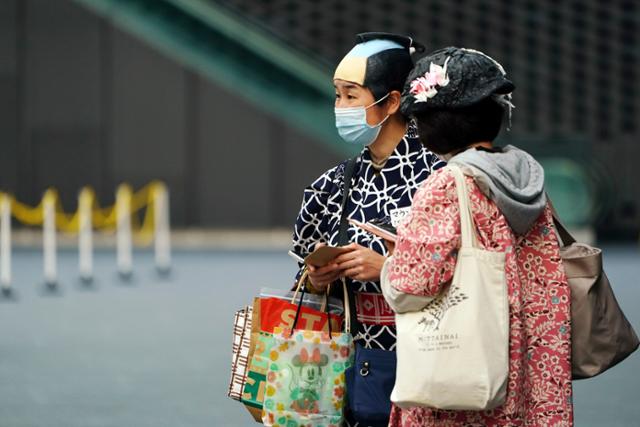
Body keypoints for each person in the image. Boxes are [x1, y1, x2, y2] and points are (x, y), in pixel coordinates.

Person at [381, 47, 573, 426]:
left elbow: (410, 286)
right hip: (529, 377)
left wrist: (390, 262)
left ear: (435, 123)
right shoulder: (525, 177)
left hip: (467, 385)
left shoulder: (448, 183)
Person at [291, 33, 444, 426]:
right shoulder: (331, 185)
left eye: (351, 96)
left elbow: (467, 278)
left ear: (392, 102)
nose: (340, 107)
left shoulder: (441, 179)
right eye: (337, 94)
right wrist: (317, 279)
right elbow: (302, 280)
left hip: (431, 363)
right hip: (349, 368)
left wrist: (387, 270)